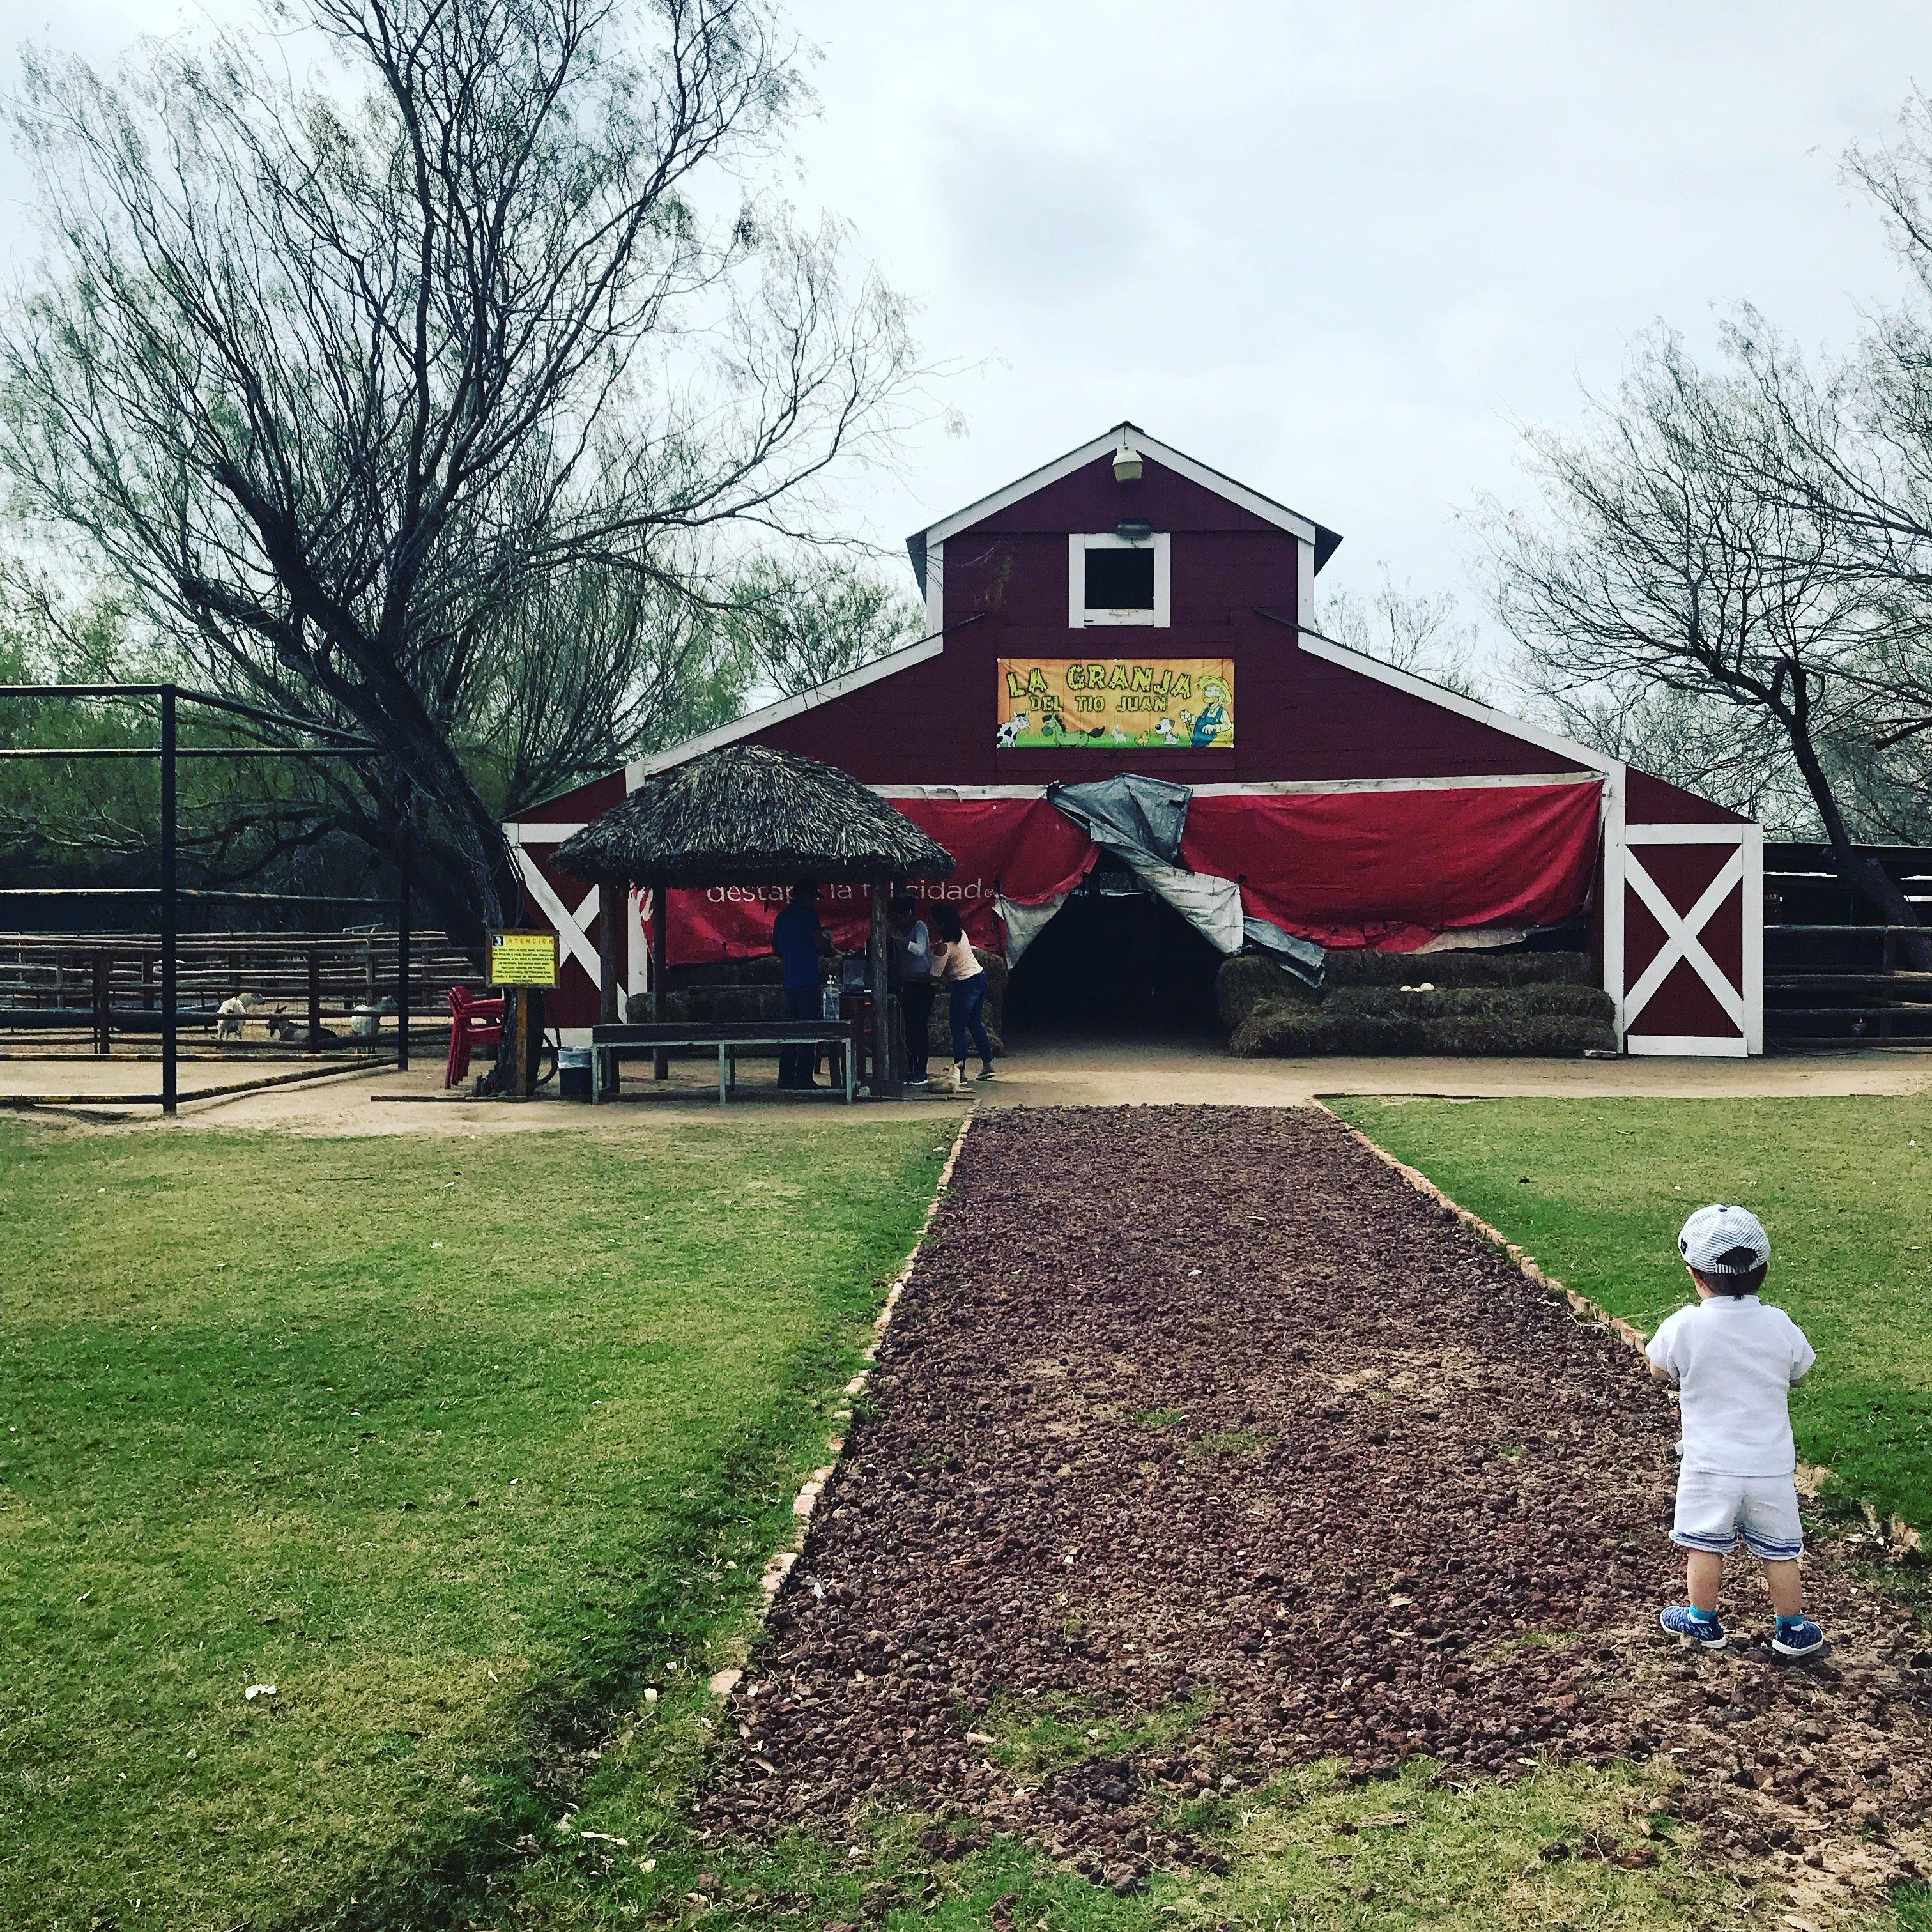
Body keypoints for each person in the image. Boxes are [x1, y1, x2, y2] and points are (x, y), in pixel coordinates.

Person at [1646, 1204, 1825, 1657]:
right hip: (1770, 1467)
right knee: (1781, 1551)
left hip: (1709, 1466)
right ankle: (1793, 1629)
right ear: (1763, 1270)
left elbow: (1658, 1368)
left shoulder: (1684, 1325)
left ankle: (1702, 1621)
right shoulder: (1778, 1323)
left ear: (1694, 1273)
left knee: (1705, 1545)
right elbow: (1801, 1370)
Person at [771, 880, 835, 1090]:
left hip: (790, 980)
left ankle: (786, 1076)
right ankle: (804, 1078)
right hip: (808, 979)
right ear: (806, 897)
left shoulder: (781, 917)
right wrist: (829, 946)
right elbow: (819, 942)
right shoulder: (808, 915)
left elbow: (777, 949)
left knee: (791, 1030)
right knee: (808, 1029)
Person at [929, 904, 993, 1082]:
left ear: (941, 924)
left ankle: (961, 1073)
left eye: (932, 922)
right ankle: (987, 1065)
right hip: (980, 979)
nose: (929, 925)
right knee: (975, 1024)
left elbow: (934, 975)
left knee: (958, 1030)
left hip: (964, 985)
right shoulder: (961, 934)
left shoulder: (943, 947)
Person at [887, 894, 934, 1088]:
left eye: (900, 917)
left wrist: (901, 941)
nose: (897, 921)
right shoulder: (895, 929)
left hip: (923, 983)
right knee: (907, 1028)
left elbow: (921, 950)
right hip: (907, 982)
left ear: (908, 915)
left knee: (919, 1027)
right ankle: (908, 1067)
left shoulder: (919, 927)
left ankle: (921, 1070)